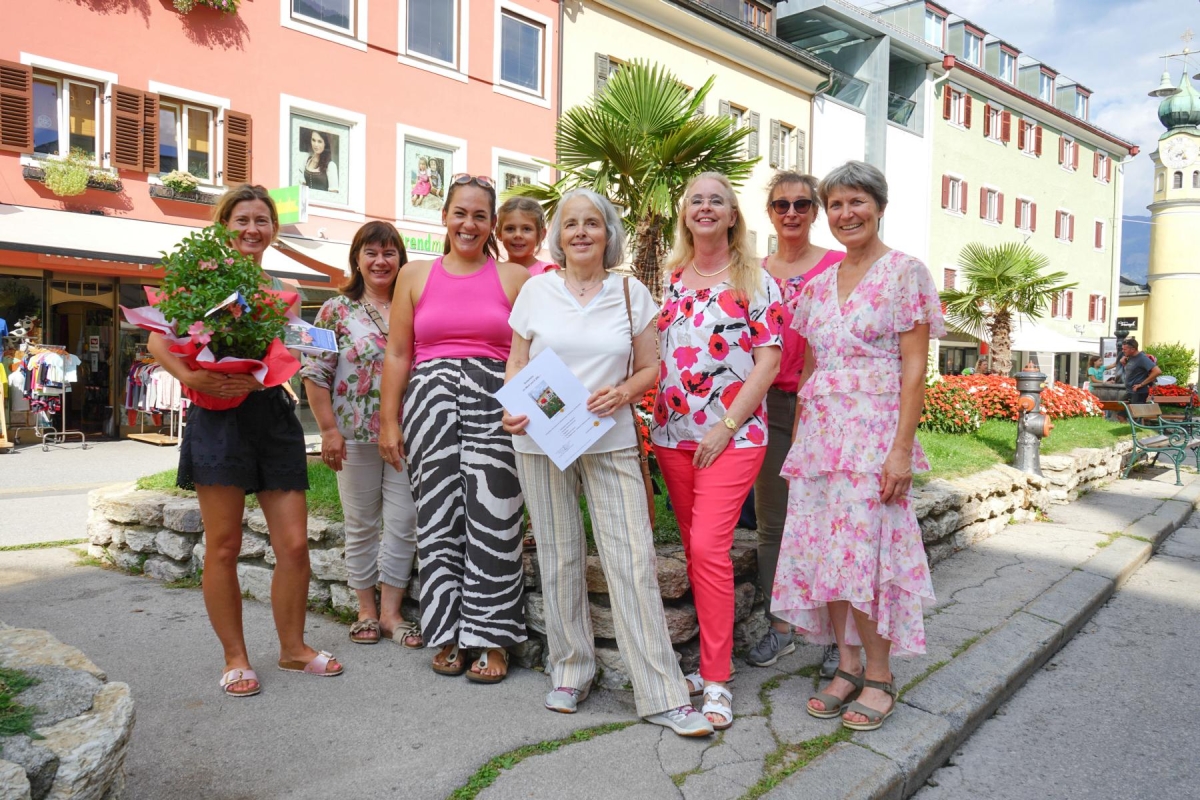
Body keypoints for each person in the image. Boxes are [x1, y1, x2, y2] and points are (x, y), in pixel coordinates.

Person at [502, 189, 713, 737]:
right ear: (558, 235)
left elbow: (651, 367)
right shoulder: (536, 290)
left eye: (591, 223)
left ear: (607, 232)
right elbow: (517, 363)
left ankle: (662, 692)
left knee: (632, 558)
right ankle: (571, 670)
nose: (580, 233)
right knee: (559, 552)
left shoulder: (629, 291)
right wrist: (513, 410)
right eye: (570, 224)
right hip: (541, 440)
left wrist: (622, 394)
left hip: (610, 436)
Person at [148, 184, 343, 698]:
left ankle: (294, 649)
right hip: (217, 418)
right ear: (224, 226)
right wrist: (192, 379)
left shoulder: (282, 287)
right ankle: (235, 657)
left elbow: (300, 346)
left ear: (273, 230)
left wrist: (271, 371)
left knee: (295, 544)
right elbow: (156, 339)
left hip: (271, 419)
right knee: (224, 545)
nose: (253, 230)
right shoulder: (196, 278)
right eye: (242, 221)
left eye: (262, 221)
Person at [772, 161, 944, 732]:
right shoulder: (819, 285)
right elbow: (811, 370)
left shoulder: (905, 273)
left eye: (857, 202)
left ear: (879, 206)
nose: (847, 214)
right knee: (828, 554)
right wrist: (798, 444)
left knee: (868, 558)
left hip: (873, 438)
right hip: (821, 441)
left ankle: (879, 673)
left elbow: (915, 371)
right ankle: (844, 668)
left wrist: (901, 451)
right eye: (837, 205)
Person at [378, 174, 529, 682]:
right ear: (444, 216)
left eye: (480, 216)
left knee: (496, 519)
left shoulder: (514, 280)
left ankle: (492, 638)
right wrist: (389, 421)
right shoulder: (414, 275)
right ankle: (447, 633)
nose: (469, 223)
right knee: (438, 520)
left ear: (492, 225)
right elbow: (398, 353)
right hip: (429, 405)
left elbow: (532, 356)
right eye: (460, 213)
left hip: (495, 406)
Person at [653, 172, 783, 730]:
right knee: (695, 550)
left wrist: (725, 426)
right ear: (685, 214)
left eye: (717, 201)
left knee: (708, 547)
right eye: (695, 200)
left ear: (733, 216)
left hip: (732, 436)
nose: (705, 208)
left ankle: (717, 679)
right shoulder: (671, 276)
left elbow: (769, 363)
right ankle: (706, 663)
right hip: (670, 435)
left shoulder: (756, 279)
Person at [300, 221, 422, 649]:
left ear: (400, 259)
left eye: (389, 253)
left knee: (405, 521)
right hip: (352, 435)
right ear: (356, 258)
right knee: (361, 523)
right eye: (371, 252)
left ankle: (392, 612)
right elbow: (315, 372)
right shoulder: (334, 309)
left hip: (409, 433)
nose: (380, 261)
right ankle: (365, 610)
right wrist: (328, 431)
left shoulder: (416, 305)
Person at [745, 171, 845, 675]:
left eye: (802, 205)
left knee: (830, 522)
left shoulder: (836, 266)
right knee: (774, 524)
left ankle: (836, 638)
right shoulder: (753, 269)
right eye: (781, 204)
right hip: (767, 407)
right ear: (769, 211)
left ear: (815, 211)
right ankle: (780, 627)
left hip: (824, 408)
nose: (791, 213)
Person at [498, 197, 559, 276]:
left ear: (541, 234)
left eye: (527, 229)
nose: (518, 235)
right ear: (498, 233)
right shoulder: (495, 273)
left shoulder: (549, 274)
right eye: (510, 229)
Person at [1120, 338, 1160, 404]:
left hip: (1139, 393)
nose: (1123, 351)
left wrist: (1141, 384)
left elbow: (1157, 371)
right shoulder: (1130, 357)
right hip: (1129, 391)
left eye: (1125, 349)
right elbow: (1133, 371)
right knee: (1120, 412)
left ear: (1132, 349)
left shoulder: (1142, 358)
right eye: (1122, 349)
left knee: (1134, 414)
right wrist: (1124, 363)